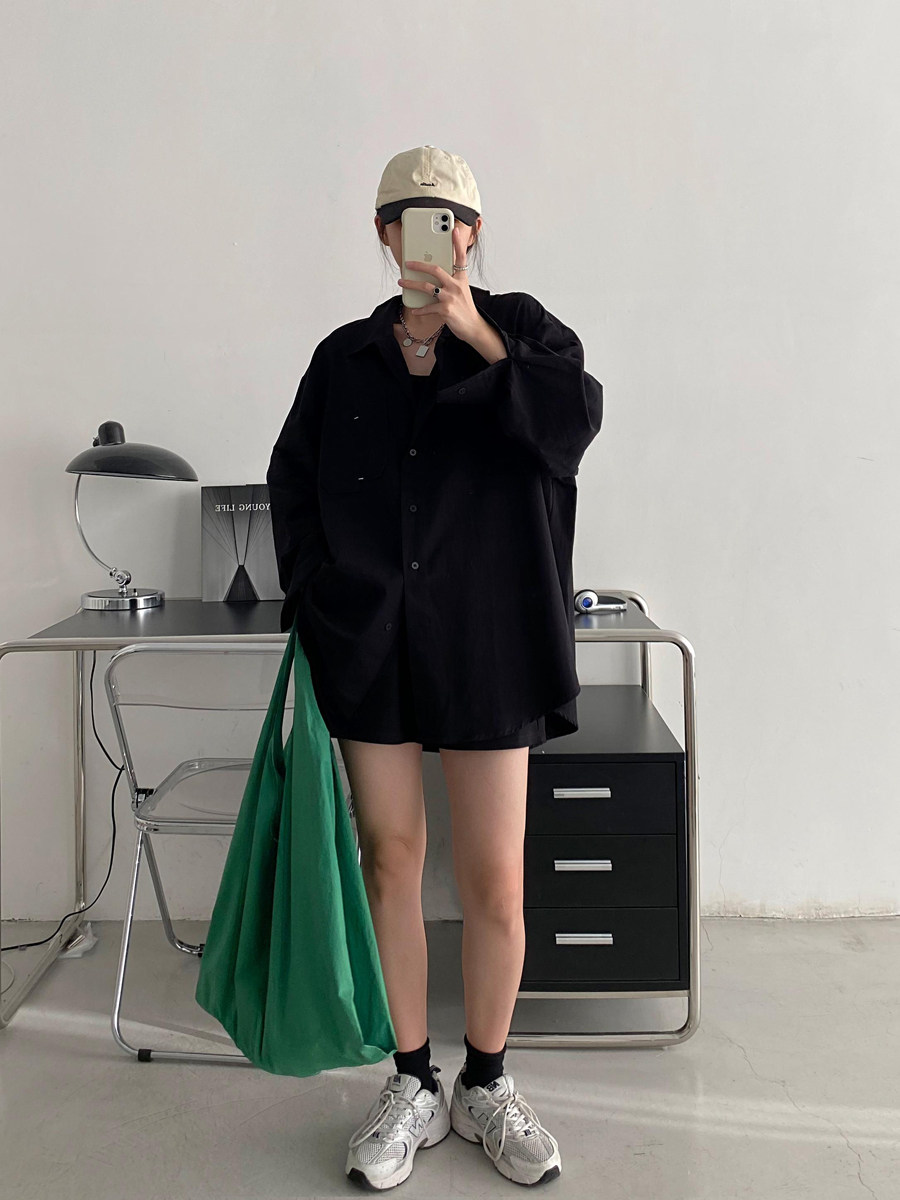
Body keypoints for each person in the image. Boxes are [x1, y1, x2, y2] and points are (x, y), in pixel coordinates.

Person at [266, 145, 603, 1190]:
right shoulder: (343, 358)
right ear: (384, 234)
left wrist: (479, 337)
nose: (434, 233)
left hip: (491, 643)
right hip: (372, 642)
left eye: (451, 218)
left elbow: (571, 425)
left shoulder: (524, 333)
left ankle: (487, 1083)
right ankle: (412, 1079)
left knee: (496, 878)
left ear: (474, 233)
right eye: (413, 217)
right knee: (391, 860)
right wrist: (319, 593)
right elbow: (292, 483)